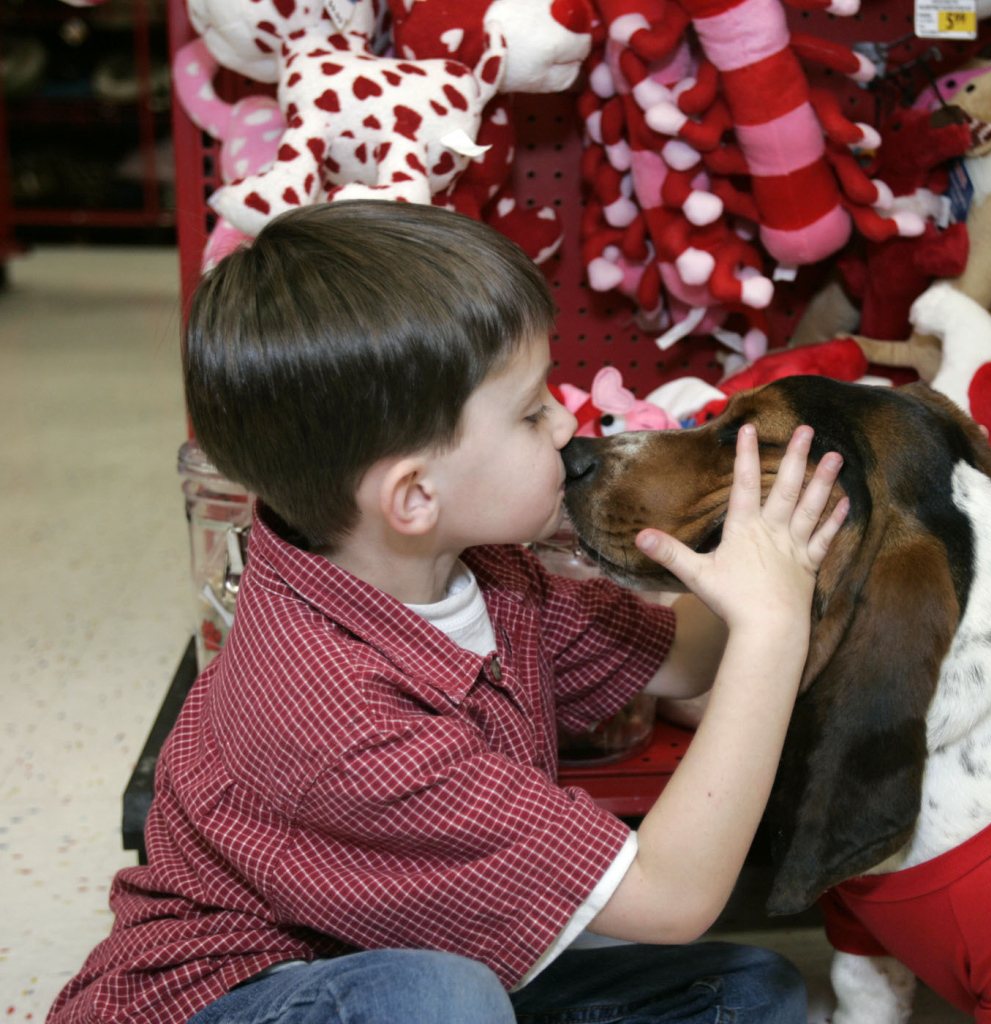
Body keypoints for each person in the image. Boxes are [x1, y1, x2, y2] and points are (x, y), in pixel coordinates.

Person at [47, 201, 848, 1024]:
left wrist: (780, 562)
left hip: (408, 957)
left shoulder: (489, 575)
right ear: (415, 496)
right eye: (533, 412)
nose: (568, 424)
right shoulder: (335, 717)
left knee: (749, 990)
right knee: (441, 1001)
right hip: (239, 995)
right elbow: (673, 897)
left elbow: (683, 655)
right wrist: (773, 627)